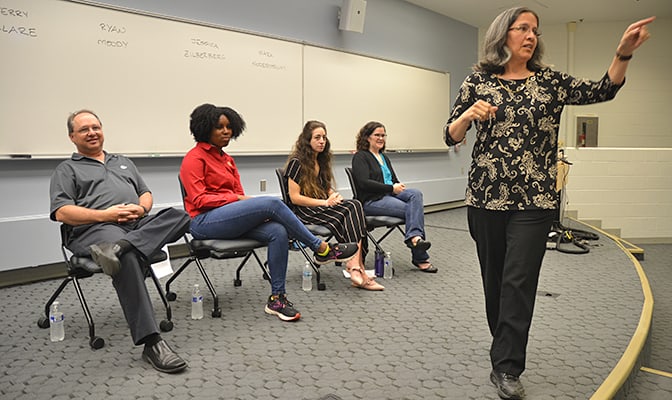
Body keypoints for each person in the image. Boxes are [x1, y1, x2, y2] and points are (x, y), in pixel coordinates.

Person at [444, 8, 654, 400]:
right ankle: (503, 343)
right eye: (522, 28)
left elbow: (602, 90)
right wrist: (469, 114)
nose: (530, 36)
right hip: (485, 198)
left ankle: (507, 366)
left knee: (518, 282)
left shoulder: (551, 81)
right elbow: (450, 134)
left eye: (535, 30)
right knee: (494, 283)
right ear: (502, 34)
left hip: (535, 200)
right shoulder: (478, 80)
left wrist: (623, 53)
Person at [179, 104, 358, 321]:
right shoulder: (194, 158)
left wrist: (242, 204)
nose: (226, 132)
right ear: (205, 128)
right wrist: (236, 200)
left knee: (277, 231)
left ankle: (277, 299)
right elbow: (199, 199)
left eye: (229, 127)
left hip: (229, 218)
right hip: (204, 222)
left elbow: (239, 195)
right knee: (272, 204)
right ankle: (321, 248)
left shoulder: (227, 159)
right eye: (219, 127)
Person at [49, 110, 192, 373]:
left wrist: (140, 209)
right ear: (72, 137)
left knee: (181, 215)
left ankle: (122, 247)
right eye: (84, 130)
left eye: (96, 127)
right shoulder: (67, 169)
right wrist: (107, 214)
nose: (92, 132)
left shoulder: (123, 161)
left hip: (134, 225)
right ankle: (152, 342)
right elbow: (62, 213)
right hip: (96, 229)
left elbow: (145, 193)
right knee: (125, 259)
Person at [285, 120, 384, 291]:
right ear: (307, 140)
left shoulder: (320, 161)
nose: (322, 141)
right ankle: (357, 269)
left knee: (354, 205)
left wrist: (332, 194)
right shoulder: (297, 162)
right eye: (317, 137)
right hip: (303, 211)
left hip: (319, 207)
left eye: (324, 137)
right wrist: (325, 202)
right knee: (352, 208)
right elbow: (294, 198)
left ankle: (355, 267)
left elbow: (325, 187)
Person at [351, 121, 437, 273]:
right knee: (413, 211)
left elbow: (393, 179)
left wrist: (397, 186)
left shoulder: (383, 157)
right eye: (377, 135)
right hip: (372, 200)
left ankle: (414, 238)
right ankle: (420, 256)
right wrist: (391, 188)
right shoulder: (360, 156)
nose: (381, 138)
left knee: (416, 194)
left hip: (389, 194)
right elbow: (364, 183)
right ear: (367, 137)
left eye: (383, 135)